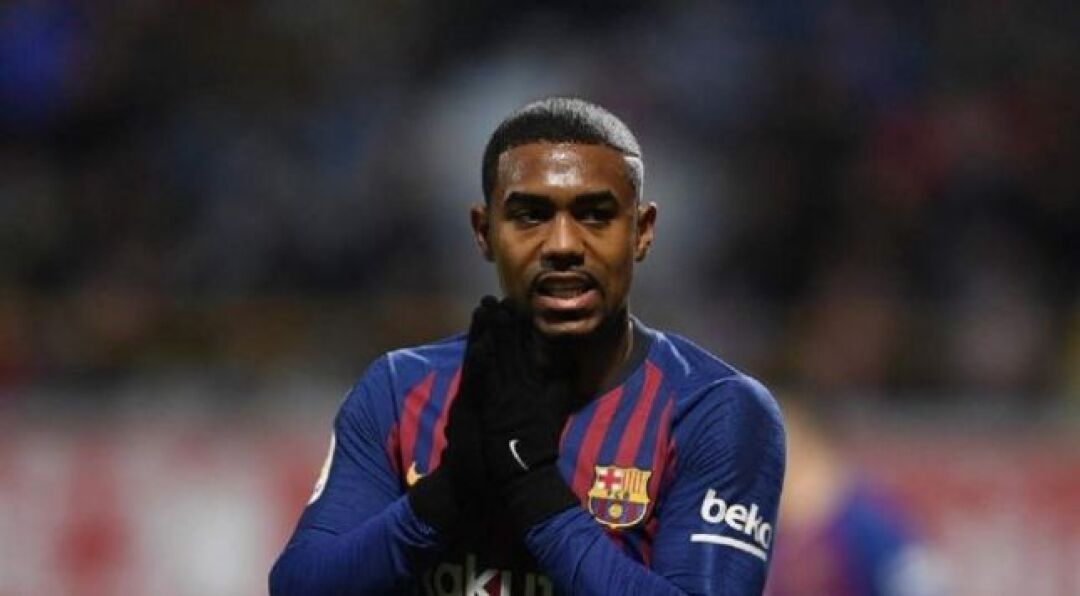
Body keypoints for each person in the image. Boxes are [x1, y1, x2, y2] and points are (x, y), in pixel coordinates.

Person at [269, 97, 786, 595]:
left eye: (595, 215)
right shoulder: (398, 389)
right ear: (484, 232)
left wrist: (533, 489)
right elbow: (299, 586)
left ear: (642, 232)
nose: (563, 245)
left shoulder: (714, 409)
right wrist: (446, 494)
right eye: (530, 215)